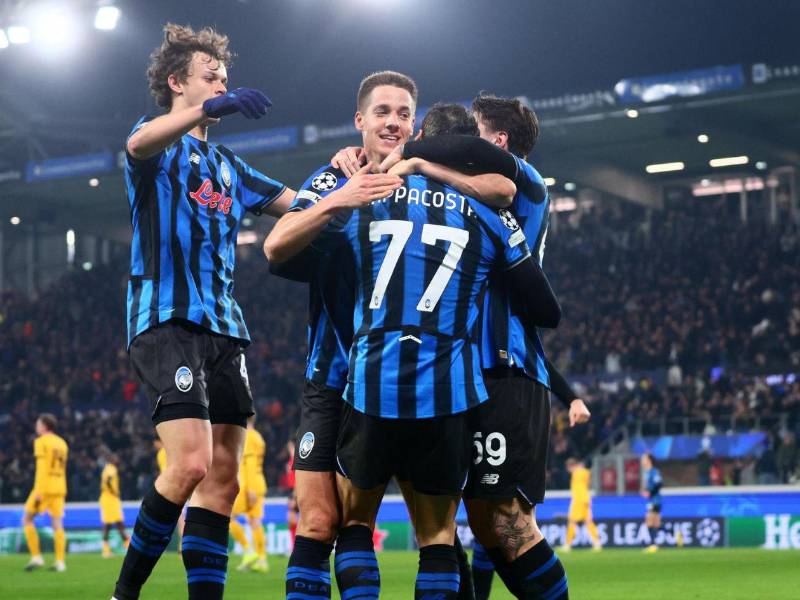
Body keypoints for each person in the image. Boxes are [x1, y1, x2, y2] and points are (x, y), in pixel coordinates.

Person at [274, 99, 560, 599]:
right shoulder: (457, 201)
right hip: (452, 373)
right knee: (453, 527)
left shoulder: (520, 187)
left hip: (501, 369)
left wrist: (402, 153)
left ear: (495, 145)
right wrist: (374, 155)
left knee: (502, 526)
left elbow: (505, 191)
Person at [112, 23, 294, 600]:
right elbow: (137, 147)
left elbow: (301, 206)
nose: (222, 85)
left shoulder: (230, 169)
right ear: (175, 83)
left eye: (225, 78)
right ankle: (125, 593)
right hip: (166, 320)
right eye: (209, 77)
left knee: (221, 481)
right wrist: (211, 107)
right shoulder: (155, 143)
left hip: (225, 328)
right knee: (188, 464)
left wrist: (360, 175)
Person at [22, 414, 69, 573]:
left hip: (44, 487)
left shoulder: (40, 442)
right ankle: (60, 561)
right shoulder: (62, 443)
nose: (37, 426)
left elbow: (42, 468)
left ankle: (36, 556)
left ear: (44, 426)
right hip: (60, 487)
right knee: (57, 524)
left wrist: (39, 491)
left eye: (38, 424)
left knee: (27, 519)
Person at [229, 416, 269, 573]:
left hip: (248, 486)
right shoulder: (258, 436)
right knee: (255, 521)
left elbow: (250, 464)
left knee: (228, 517)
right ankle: (261, 560)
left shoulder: (248, 436)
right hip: (258, 482)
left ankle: (248, 551)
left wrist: (249, 489)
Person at [560, 458, 601, 552]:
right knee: (588, 521)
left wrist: (574, 502)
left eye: (569, 469)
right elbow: (587, 484)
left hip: (579, 500)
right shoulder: (585, 472)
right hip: (586, 499)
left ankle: (567, 545)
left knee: (572, 521)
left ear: (571, 466)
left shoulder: (576, 473)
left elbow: (578, 490)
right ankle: (597, 543)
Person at [100, 453, 131, 558]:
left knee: (113, 524)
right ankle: (126, 546)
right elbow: (108, 480)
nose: (117, 460)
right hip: (110, 499)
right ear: (111, 459)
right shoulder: (111, 468)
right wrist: (113, 491)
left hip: (108, 499)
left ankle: (107, 549)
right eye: (116, 458)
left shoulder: (106, 468)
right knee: (115, 523)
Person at [642, 452, 665, 553]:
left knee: (649, 521)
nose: (642, 460)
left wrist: (649, 492)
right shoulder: (647, 472)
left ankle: (653, 544)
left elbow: (659, 483)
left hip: (656, 500)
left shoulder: (654, 471)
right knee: (656, 524)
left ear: (649, 460)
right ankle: (675, 532)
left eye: (644, 458)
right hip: (652, 500)